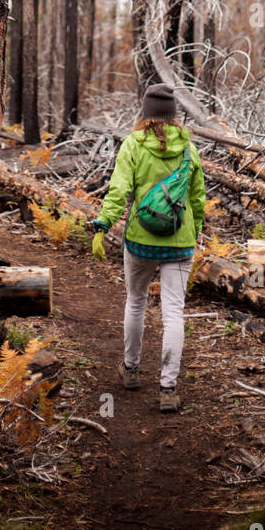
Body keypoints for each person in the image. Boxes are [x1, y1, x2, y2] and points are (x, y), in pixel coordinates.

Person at [90, 82, 206, 412]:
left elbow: (119, 190)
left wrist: (103, 223)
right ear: (173, 115)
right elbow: (197, 199)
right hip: (179, 243)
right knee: (173, 312)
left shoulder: (132, 145)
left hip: (140, 240)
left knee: (136, 302)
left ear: (145, 112)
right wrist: (194, 233)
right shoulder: (189, 148)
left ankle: (130, 370)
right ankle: (168, 388)